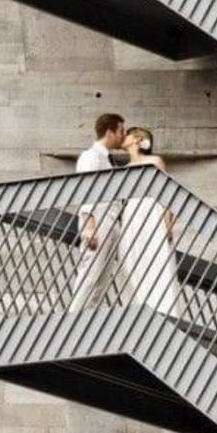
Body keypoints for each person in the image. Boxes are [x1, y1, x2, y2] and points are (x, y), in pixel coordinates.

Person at [118, 126, 180, 317]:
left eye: (127, 134)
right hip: (131, 216)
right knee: (131, 260)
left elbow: (168, 194)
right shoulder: (124, 170)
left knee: (157, 261)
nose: (123, 137)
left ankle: (164, 312)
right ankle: (139, 312)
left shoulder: (154, 161)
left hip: (151, 213)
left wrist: (168, 224)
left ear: (137, 139)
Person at [68, 113, 125, 313]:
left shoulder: (108, 160)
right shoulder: (91, 156)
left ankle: (86, 322)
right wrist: (89, 226)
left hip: (110, 222)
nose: (123, 136)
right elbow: (86, 190)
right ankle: (72, 321)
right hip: (98, 222)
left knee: (102, 279)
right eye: (121, 131)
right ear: (109, 132)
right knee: (90, 275)